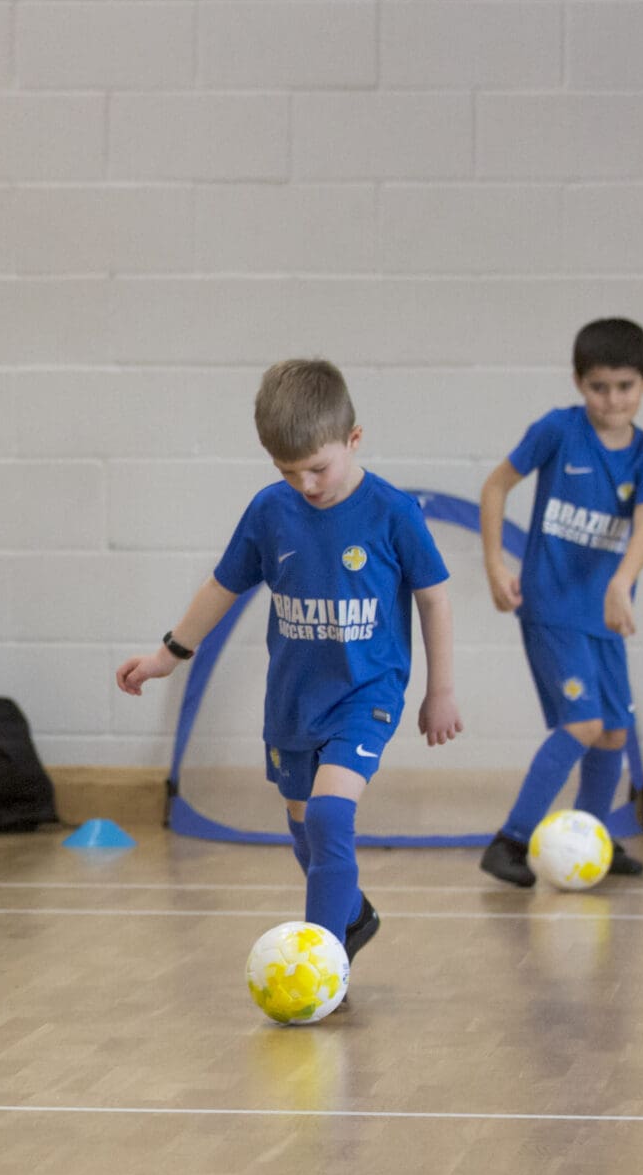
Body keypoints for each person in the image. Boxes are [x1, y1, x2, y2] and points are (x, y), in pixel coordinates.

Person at [118, 358, 460, 966]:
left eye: (318, 467)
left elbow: (434, 600)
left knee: (330, 815)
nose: (305, 483)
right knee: (305, 829)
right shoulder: (269, 512)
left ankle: (323, 963)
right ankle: (351, 914)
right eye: (286, 469)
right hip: (295, 700)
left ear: (354, 440)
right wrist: (167, 655)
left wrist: (441, 691)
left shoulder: (393, 513)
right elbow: (221, 588)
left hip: (367, 694)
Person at [476, 318, 643, 886]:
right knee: (582, 723)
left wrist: (620, 582)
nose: (613, 399)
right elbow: (495, 486)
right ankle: (509, 841)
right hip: (552, 607)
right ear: (579, 383)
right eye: (600, 387)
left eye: (625, 386)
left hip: (605, 615)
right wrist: (493, 563)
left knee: (612, 732)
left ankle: (591, 840)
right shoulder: (559, 431)